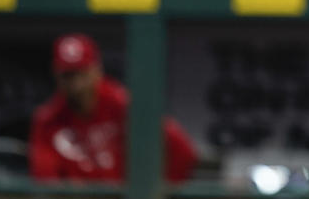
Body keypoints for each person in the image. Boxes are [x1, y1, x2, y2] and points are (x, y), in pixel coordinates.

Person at [30, 33, 197, 182]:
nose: (77, 84)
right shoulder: (48, 120)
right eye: (69, 75)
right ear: (56, 75)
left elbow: (182, 151)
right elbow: (45, 179)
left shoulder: (124, 105)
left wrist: (155, 194)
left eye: (82, 73)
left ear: (97, 70)